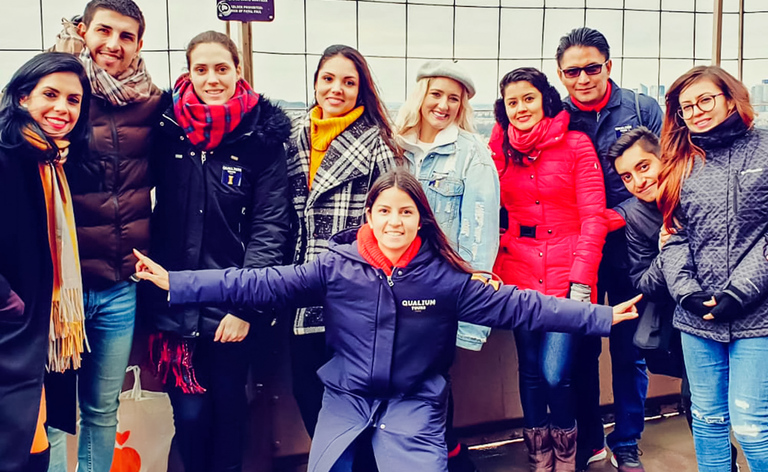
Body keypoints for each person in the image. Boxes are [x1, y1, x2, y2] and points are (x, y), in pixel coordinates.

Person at [133, 168, 641, 472]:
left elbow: (524, 305)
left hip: (414, 401)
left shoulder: (445, 280)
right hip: (348, 396)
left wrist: (598, 315)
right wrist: (175, 282)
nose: (395, 222)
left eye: (406, 212)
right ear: (369, 217)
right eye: (385, 212)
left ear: (421, 219)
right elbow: (258, 283)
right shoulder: (336, 265)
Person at [140, 30, 292, 472]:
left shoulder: (261, 138)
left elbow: (269, 226)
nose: (212, 79)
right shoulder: (164, 129)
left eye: (221, 68)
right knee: (188, 417)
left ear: (238, 71)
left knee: (230, 412)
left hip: (231, 306)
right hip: (171, 300)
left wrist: (245, 306)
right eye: (201, 69)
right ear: (188, 73)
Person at [47, 0, 166, 472]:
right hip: (62, 288)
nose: (113, 44)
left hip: (120, 285)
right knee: (54, 417)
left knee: (101, 411)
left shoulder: (153, 103)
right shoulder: (60, 96)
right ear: (83, 31)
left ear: (140, 45)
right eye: (103, 31)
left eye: (126, 36)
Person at [488, 67, 608, 471]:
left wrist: (582, 279)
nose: (521, 108)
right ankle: (540, 455)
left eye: (528, 98)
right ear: (503, 109)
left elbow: (594, 216)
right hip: (519, 269)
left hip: (566, 270)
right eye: (512, 102)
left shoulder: (576, 145)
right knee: (531, 371)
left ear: (546, 100)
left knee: (555, 372)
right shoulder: (499, 150)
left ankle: (567, 452)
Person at [556, 27, 663, 472]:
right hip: (577, 254)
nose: (583, 78)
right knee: (580, 350)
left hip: (631, 250)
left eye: (592, 68)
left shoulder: (643, 108)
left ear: (609, 66)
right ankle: (590, 439)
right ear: (560, 76)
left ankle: (628, 440)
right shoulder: (555, 117)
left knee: (629, 351)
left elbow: (666, 168)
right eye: (572, 71)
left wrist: (614, 216)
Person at [607, 126, 741, 472]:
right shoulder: (634, 216)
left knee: (749, 409)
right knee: (697, 403)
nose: (637, 180)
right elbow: (643, 284)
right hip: (688, 321)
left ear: (664, 158)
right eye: (626, 176)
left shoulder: (702, 186)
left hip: (741, 308)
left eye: (643, 167)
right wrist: (665, 251)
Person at [657, 65, 768, 472]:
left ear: (729, 98)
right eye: (687, 106)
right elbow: (674, 235)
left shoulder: (764, 148)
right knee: (707, 420)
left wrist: (740, 292)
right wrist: (685, 291)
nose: (697, 111)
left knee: (752, 424)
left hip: (759, 315)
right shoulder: (680, 161)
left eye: (705, 100)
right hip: (697, 316)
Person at [286, 44, 400, 439]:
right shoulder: (292, 136)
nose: (337, 89)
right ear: (315, 83)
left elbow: (395, 221)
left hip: (355, 297)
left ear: (361, 90)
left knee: (356, 404)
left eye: (348, 82)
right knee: (307, 392)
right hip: (299, 291)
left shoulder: (378, 145)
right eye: (328, 79)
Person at [395, 60, 498, 470]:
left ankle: (447, 457)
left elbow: (481, 227)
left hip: (439, 289)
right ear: (421, 95)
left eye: (453, 99)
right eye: (436, 94)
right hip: (391, 285)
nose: (443, 105)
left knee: (433, 380)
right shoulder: (394, 146)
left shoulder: (473, 153)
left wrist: (471, 305)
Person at [0, 52, 91, 472]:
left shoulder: (47, 159)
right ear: (21, 97)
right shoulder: (7, 156)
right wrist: (9, 303)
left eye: (73, 100)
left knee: (32, 437)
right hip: (12, 329)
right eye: (50, 95)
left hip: (30, 328)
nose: (63, 109)